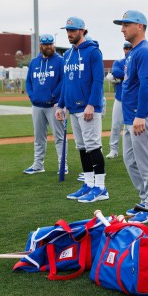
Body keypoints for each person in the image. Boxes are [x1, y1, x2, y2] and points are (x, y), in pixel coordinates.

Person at [113, 10, 148, 223]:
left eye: (127, 24)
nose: (123, 29)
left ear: (140, 26)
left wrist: (140, 115)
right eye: (122, 25)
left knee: (147, 162)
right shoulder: (134, 52)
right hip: (131, 116)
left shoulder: (144, 51)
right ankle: (146, 200)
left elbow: (147, 84)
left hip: (142, 116)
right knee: (131, 161)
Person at [56, 17, 108, 203]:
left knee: (93, 147)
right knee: (82, 148)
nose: (69, 33)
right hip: (73, 107)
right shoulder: (68, 55)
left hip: (88, 108)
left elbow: (98, 81)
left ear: (82, 31)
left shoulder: (93, 52)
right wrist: (61, 104)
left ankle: (101, 188)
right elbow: (66, 83)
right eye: (67, 30)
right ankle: (88, 184)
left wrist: (92, 104)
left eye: (73, 30)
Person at [24, 34, 67, 174]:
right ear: (40, 45)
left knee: (59, 137)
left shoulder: (60, 61)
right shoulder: (34, 62)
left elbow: (64, 81)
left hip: (54, 106)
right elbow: (28, 81)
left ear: (53, 44)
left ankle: (63, 166)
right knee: (38, 137)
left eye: (50, 44)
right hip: (37, 105)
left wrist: (54, 95)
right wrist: (32, 95)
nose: (48, 46)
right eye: (45, 44)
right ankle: (38, 165)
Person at [105, 41, 132, 159]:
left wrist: (122, 77)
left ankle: (131, 150)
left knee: (130, 126)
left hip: (132, 100)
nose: (128, 50)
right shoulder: (119, 62)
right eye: (126, 48)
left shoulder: (136, 61)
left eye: (129, 48)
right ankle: (113, 150)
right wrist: (129, 75)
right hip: (120, 99)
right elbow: (115, 71)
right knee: (116, 125)